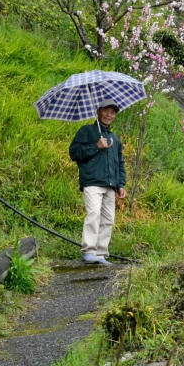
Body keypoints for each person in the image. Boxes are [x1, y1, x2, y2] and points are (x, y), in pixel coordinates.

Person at [68, 99, 127, 265]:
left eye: (113, 112)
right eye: (106, 110)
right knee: (94, 214)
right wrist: (96, 146)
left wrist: (121, 184)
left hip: (110, 185)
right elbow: (74, 153)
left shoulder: (114, 138)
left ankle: (101, 254)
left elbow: (120, 162)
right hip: (92, 182)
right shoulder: (86, 131)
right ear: (98, 111)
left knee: (108, 220)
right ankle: (89, 251)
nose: (109, 115)